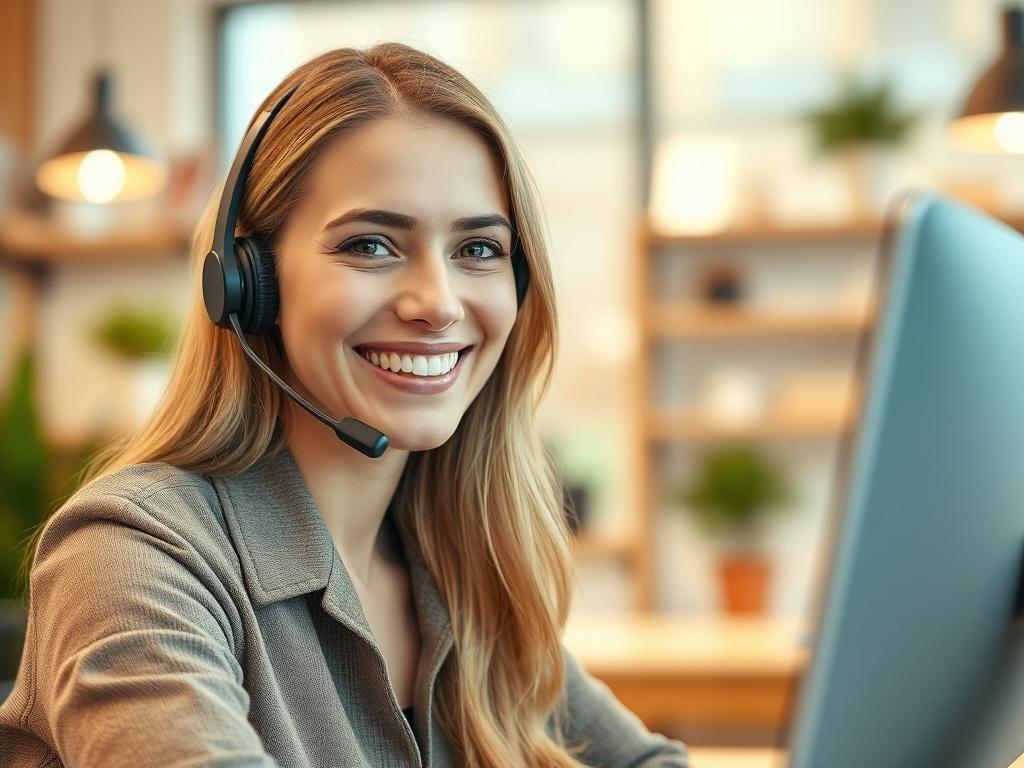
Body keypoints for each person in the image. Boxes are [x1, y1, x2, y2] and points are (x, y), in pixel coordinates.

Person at [0, 43, 689, 767]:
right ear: (247, 284)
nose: (438, 304)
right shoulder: (133, 554)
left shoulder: (457, 567)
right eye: (370, 244)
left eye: (479, 249)